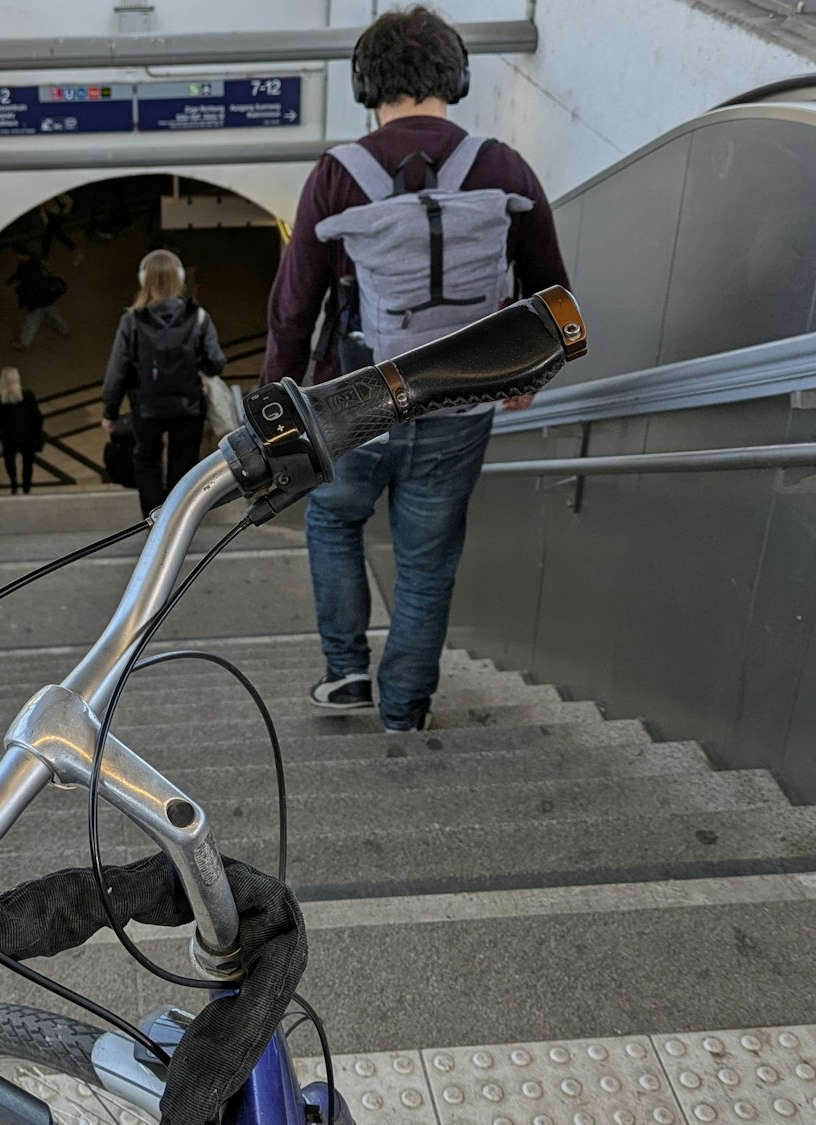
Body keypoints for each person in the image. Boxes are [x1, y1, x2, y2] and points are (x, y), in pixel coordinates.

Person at [262, 6, 570, 732]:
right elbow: (552, 293)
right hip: (460, 407)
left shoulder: (337, 176)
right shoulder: (502, 168)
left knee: (332, 524)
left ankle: (345, 673)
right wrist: (527, 375)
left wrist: (281, 405)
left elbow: (291, 307)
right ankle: (405, 709)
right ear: (456, 79)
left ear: (366, 84)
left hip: (354, 400)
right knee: (427, 562)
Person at [101, 249, 227, 517]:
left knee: (147, 461)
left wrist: (109, 412)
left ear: (142, 280)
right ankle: (177, 519)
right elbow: (216, 363)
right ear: (179, 279)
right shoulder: (199, 317)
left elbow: (117, 371)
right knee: (183, 464)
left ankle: (153, 521)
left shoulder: (131, 321)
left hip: (146, 408)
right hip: (189, 406)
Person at [0, 366, 44, 494]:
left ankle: (14, 485)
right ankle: (26, 488)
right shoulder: (28, 395)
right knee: (28, 463)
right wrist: (37, 432)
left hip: (9, 438)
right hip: (28, 437)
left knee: (10, 461)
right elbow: (38, 416)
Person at [8, 245, 68, 350]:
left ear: (24, 255)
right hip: (44, 297)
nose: (17, 257)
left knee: (31, 320)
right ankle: (63, 329)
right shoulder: (33, 263)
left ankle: (24, 343)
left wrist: (19, 289)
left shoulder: (29, 267)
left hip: (36, 299)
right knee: (52, 312)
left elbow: (29, 284)